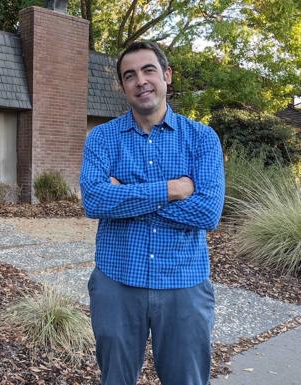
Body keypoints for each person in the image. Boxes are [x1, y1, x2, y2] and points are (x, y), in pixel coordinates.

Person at [79, 41, 225, 385]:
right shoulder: (101, 139)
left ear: (166, 76)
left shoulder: (202, 138)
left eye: (148, 70)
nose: (140, 81)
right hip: (117, 280)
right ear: (123, 86)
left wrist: (125, 196)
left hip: (183, 284)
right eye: (129, 75)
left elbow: (208, 212)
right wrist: (172, 189)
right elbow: (95, 202)